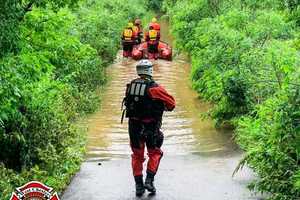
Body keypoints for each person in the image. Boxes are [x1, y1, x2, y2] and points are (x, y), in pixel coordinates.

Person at [122, 60, 175, 196]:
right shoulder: (155, 88)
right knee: (155, 153)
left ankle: (139, 186)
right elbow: (171, 104)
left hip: (134, 128)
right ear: (150, 70)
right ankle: (149, 181)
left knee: (137, 156)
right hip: (150, 127)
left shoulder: (130, 86)